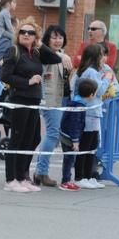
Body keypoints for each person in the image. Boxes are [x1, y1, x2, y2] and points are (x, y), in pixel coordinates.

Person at [0, 17, 73, 193]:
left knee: (32, 139)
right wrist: (28, 81)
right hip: (19, 99)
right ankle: (11, 179)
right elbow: (6, 76)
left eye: (30, 33)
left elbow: (54, 58)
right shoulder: (14, 51)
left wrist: (41, 44)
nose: (26, 35)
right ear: (17, 35)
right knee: (17, 139)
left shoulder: (36, 53)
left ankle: (22, 176)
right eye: (23, 32)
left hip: (34, 100)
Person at [68, 44, 114, 188]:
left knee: (91, 145)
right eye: (102, 55)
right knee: (87, 146)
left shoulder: (84, 71)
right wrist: (107, 78)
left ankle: (88, 176)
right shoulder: (91, 72)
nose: (104, 59)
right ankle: (81, 176)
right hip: (89, 112)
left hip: (91, 112)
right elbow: (98, 91)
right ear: (96, 57)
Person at [33, 25, 71, 187]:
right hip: (48, 98)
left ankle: (41, 171)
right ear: (47, 39)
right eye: (54, 37)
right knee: (53, 134)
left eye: (60, 37)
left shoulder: (63, 56)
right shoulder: (45, 54)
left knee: (52, 134)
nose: (58, 40)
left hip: (59, 98)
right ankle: (41, 171)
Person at [58, 77, 99, 191]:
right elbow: (74, 125)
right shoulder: (78, 106)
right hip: (68, 137)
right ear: (91, 95)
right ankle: (65, 181)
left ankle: (67, 180)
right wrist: (75, 141)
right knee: (69, 159)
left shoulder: (77, 102)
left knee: (71, 159)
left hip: (68, 134)